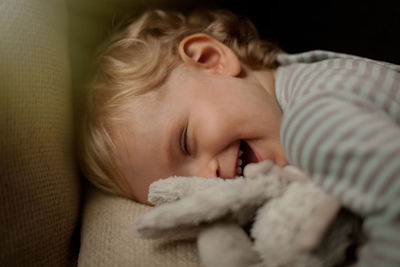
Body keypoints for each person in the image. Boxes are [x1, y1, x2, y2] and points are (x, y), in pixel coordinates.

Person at [80, 9, 400, 266]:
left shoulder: (311, 118)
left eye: (186, 143)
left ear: (210, 59)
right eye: (185, 188)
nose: (208, 176)